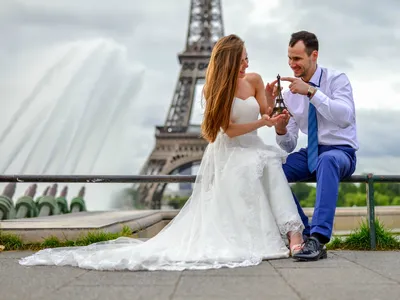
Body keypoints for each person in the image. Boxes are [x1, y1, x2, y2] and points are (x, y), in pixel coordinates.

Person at [19, 34, 304, 271]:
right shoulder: (212, 90)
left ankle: (294, 234)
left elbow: (268, 112)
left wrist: (271, 101)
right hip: (230, 150)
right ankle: (281, 234)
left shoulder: (254, 79)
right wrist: (263, 122)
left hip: (252, 146)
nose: (247, 63)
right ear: (229, 60)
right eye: (242, 59)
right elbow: (227, 130)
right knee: (258, 164)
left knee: (267, 161)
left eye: (247, 59)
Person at [265, 31, 358, 261]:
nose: (291, 64)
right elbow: (288, 145)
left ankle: (318, 238)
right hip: (312, 152)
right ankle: (302, 231)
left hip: (341, 152)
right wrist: (281, 127)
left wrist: (312, 92)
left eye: (297, 59)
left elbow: (345, 116)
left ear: (313, 55)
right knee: (271, 168)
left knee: (327, 161)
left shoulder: (337, 80)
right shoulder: (290, 94)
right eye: (289, 58)